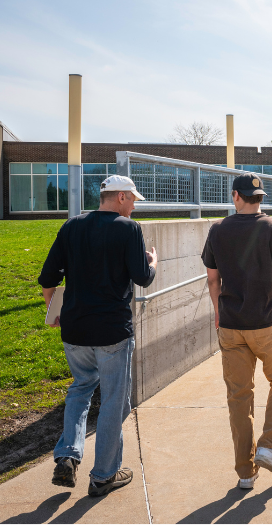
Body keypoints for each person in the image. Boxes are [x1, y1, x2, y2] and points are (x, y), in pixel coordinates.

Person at [38, 175, 157, 497]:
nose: (133, 206)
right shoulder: (128, 229)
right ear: (119, 196)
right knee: (114, 402)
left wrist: (54, 310)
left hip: (74, 329)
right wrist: (152, 261)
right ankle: (104, 475)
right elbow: (142, 278)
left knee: (80, 389)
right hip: (112, 332)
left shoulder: (71, 226)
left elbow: (48, 277)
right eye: (132, 200)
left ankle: (67, 454)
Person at [202, 174, 272, 490]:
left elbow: (212, 280)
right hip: (266, 324)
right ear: (260, 197)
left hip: (231, 326)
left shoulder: (218, 230)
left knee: (239, 396)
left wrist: (220, 314)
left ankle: (245, 474)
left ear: (236, 196)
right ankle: (269, 446)